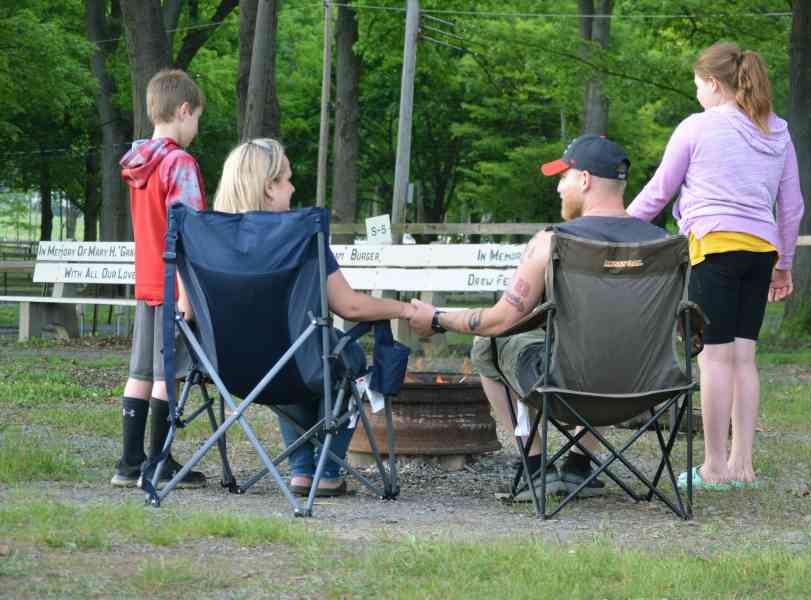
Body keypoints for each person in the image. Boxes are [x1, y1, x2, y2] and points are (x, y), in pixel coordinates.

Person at [412, 135, 668, 500]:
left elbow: (500, 321)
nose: (558, 186)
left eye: (563, 177)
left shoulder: (552, 242)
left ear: (585, 180)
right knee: (611, 349)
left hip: (566, 383)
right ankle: (579, 464)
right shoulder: (664, 244)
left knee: (488, 344)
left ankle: (535, 467)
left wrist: (437, 317)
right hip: (647, 385)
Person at [626, 42, 804, 490]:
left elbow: (658, 192)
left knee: (714, 360)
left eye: (697, 86)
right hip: (761, 250)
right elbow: (792, 207)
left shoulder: (697, 127)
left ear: (712, 83)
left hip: (714, 248)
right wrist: (784, 263)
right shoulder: (777, 130)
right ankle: (744, 467)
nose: (697, 95)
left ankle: (714, 467)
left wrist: (614, 227)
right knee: (745, 357)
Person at [213, 138, 429, 497]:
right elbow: (351, 307)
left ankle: (301, 470)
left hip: (230, 369)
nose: (293, 187)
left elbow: (187, 312)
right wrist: (405, 309)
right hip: (298, 362)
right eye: (286, 179)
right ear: (268, 187)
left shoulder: (209, 238)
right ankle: (328, 471)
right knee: (345, 359)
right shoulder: (300, 237)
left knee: (289, 359)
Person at [111, 69, 208, 488]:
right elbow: (190, 235)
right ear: (183, 111)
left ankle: (129, 463)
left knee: (141, 372)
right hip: (175, 285)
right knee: (169, 375)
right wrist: (189, 293)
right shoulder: (179, 163)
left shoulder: (137, 162)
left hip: (147, 282)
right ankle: (159, 463)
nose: (196, 129)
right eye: (197, 118)